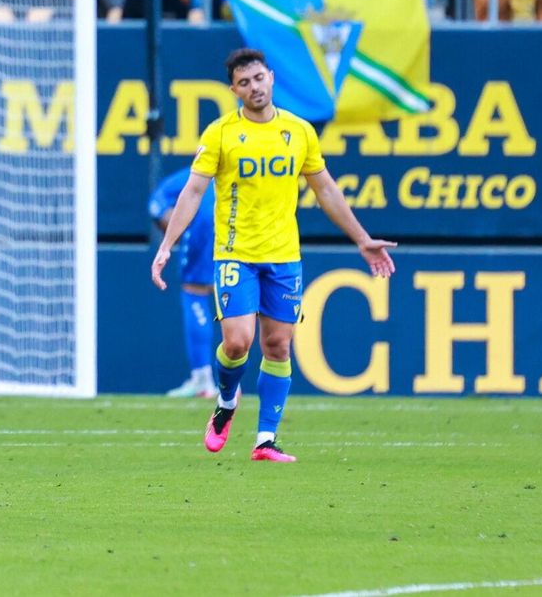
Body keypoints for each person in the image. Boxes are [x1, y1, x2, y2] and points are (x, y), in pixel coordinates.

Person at [150, 48, 396, 463]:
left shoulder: (299, 132)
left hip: (284, 256)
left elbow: (326, 189)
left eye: (259, 78)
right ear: (234, 90)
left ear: (272, 78)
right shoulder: (221, 133)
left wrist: (361, 238)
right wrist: (167, 245)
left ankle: (265, 440)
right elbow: (193, 191)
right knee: (237, 341)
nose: (254, 87)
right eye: (244, 83)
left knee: (278, 345)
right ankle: (227, 402)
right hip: (235, 254)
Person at [148, 166, 218, 398]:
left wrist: (178, 229)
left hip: (204, 229)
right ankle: (232, 379)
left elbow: (156, 204)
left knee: (195, 291)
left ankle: (203, 379)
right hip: (246, 228)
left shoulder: (192, 175)